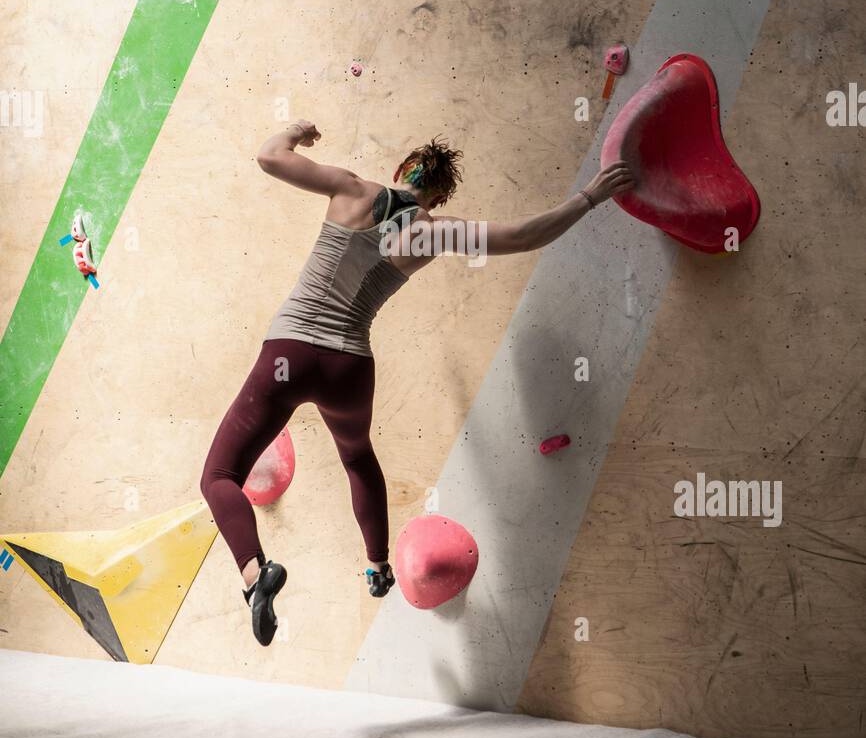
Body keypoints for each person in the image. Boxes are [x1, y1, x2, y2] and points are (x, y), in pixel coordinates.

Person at [200, 120, 634, 645]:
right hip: (350, 366)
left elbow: (269, 156)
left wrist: (296, 131)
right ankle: (378, 566)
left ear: (401, 170)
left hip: (289, 352)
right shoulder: (438, 231)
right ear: (441, 193)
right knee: (358, 458)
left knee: (220, 475)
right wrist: (589, 196)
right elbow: (523, 236)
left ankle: (255, 576)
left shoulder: (351, 187)